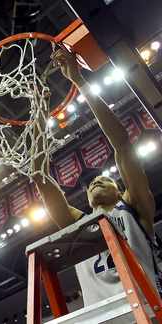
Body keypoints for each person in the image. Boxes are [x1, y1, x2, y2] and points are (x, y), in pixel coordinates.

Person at [32, 49, 162, 306]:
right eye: (92, 183)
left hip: (148, 310)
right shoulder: (78, 223)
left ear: (121, 190)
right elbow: (39, 174)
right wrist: (38, 110)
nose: (95, 181)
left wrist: (79, 80)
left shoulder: (135, 207)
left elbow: (122, 144)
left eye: (105, 180)